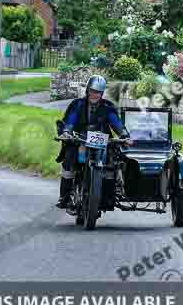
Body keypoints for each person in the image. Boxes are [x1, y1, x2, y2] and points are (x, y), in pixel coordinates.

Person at [55, 75, 134, 209]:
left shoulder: (107, 107)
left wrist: (125, 136)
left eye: (98, 92)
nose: (94, 95)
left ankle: (109, 195)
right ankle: (65, 196)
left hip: (103, 142)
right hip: (79, 140)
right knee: (69, 160)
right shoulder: (78, 104)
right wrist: (67, 132)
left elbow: (117, 123)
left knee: (113, 162)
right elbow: (70, 120)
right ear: (87, 90)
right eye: (92, 91)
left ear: (102, 93)